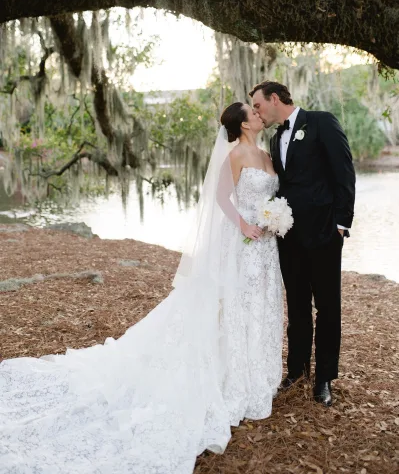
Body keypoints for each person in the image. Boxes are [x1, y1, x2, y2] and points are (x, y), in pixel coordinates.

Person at [0, 102, 283, 474]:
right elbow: (218, 199)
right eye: (254, 111)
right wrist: (245, 225)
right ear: (243, 122)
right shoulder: (236, 154)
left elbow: (271, 197)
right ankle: (233, 380)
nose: (260, 113)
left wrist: (276, 217)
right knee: (233, 307)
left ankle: (255, 377)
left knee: (259, 307)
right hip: (243, 241)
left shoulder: (266, 153)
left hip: (265, 247)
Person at [250, 81, 356, 407]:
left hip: (324, 235)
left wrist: (341, 225)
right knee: (297, 308)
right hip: (289, 237)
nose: (256, 112)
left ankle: (324, 378)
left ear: (275, 98)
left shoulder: (321, 122)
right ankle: (296, 371)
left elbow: (344, 173)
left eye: (257, 105)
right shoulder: (274, 137)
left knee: (327, 308)